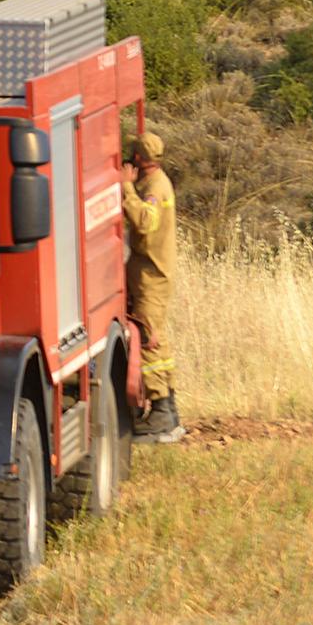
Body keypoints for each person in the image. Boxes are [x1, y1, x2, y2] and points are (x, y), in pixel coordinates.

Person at [121, 130, 182, 443]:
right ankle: (168, 409)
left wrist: (125, 187)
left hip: (151, 276)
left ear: (139, 159)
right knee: (156, 340)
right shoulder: (157, 181)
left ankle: (160, 413)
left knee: (148, 341)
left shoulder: (154, 187)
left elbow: (145, 222)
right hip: (149, 273)